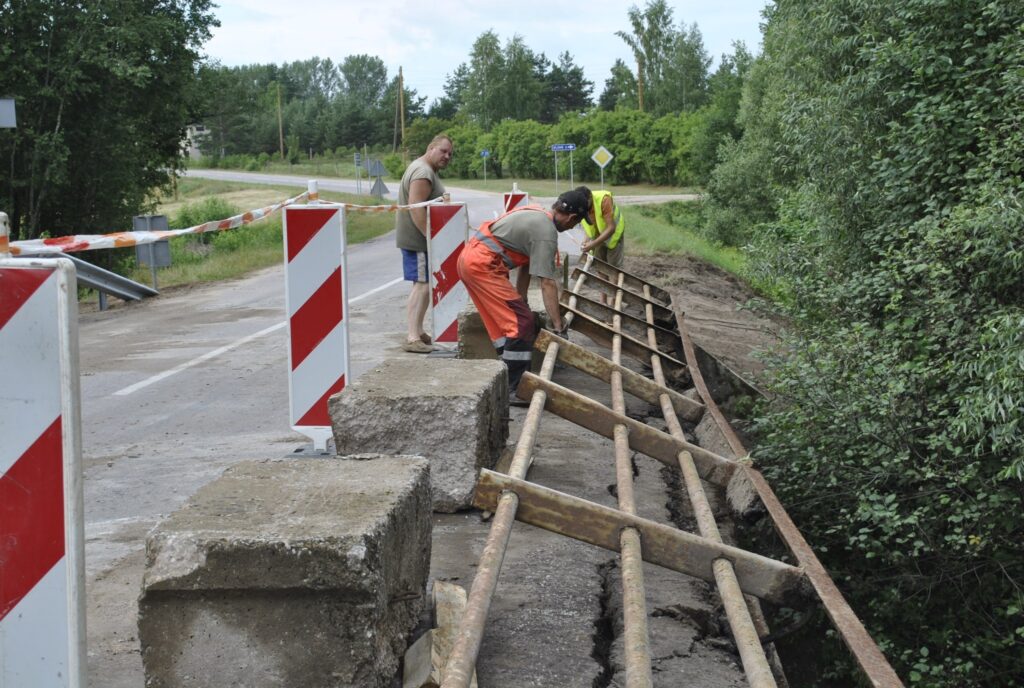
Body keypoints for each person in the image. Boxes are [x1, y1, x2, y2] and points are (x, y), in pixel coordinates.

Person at [457, 188, 590, 404]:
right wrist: (558, 325)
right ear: (571, 217)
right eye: (575, 224)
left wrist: (522, 299)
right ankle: (515, 389)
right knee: (521, 323)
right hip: (483, 266)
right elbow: (547, 283)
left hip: (470, 261)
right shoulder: (546, 233)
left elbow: (526, 266)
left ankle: (507, 374)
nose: (572, 228)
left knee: (504, 324)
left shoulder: (536, 214)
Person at [396, 134, 454, 353]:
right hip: (418, 241)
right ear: (431, 148)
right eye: (443, 151)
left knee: (423, 285)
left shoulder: (425, 169)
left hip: (420, 240)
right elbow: (416, 207)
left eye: (450, 153)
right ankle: (412, 337)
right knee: (421, 286)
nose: (447, 156)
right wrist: (431, 239)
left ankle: (419, 331)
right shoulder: (423, 172)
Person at [576, 185, 625, 271]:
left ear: (590, 197)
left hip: (614, 234)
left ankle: (613, 284)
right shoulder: (581, 205)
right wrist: (586, 241)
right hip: (599, 235)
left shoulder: (604, 200)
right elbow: (589, 226)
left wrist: (592, 244)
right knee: (600, 265)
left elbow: (611, 228)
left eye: (585, 203)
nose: (583, 206)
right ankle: (603, 284)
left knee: (613, 268)